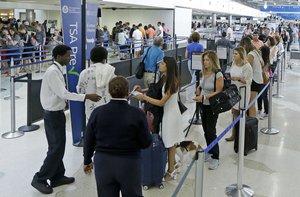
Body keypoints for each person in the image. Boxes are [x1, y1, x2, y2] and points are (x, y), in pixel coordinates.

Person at [31, 45, 101, 194]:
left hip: (57, 114)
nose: (69, 58)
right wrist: (87, 96)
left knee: (59, 147)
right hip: (53, 115)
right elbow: (64, 93)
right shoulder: (52, 72)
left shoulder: (57, 70)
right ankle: (39, 178)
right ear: (58, 57)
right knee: (55, 148)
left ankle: (57, 176)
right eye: (67, 56)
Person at [83, 76, 152, 197]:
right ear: (127, 91)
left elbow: (88, 139)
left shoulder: (97, 112)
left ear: (109, 92)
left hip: (103, 163)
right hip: (129, 164)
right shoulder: (137, 114)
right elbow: (146, 143)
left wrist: (87, 160)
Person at [134, 56, 185, 180]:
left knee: (170, 142)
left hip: (171, 115)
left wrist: (144, 98)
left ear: (168, 66)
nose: (159, 65)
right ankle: (171, 167)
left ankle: (171, 169)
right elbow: (157, 89)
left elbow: (162, 102)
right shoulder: (165, 78)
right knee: (169, 141)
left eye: (162, 63)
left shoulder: (172, 82)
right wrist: (143, 90)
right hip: (167, 113)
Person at [194, 50, 224, 170]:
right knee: (206, 130)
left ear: (213, 61)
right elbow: (202, 84)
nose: (205, 62)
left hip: (212, 106)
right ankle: (210, 150)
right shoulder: (203, 72)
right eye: (204, 60)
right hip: (203, 105)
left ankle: (216, 156)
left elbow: (218, 91)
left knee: (211, 131)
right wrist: (198, 88)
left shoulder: (218, 74)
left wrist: (204, 97)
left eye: (208, 60)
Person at [77, 46, 116, 120]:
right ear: (105, 58)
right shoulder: (110, 71)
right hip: (108, 109)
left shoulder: (84, 73)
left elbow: (80, 91)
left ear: (91, 58)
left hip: (91, 110)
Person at [226, 47, 253, 141]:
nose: (234, 55)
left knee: (240, 113)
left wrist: (238, 79)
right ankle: (234, 134)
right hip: (233, 91)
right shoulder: (234, 63)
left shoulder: (247, 66)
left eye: (236, 54)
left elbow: (248, 81)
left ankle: (241, 136)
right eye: (233, 53)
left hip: (243, 92)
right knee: (233, 112)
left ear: (241, 55)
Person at [240, 36, 264, 118]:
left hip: (254, 80)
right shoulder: (256, 52)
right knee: (252, 103)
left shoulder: (250, 54)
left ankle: (252, 123)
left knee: (251, 104)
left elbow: (246, 67)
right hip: (258, 79)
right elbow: (262, 64)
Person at [185, 32, 204, 101]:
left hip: (190, 62)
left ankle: (193, 94)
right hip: (198, 63)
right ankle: (190, 96)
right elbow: (202, 56)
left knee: (193, 78)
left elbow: (186, 56)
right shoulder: (201, 46)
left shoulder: (188, 46)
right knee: (194, 79)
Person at [257, 45, 270, 120]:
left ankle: (266, 111)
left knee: (264, 96)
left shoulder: (264, 61)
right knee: (260, 95)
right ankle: (259, 109)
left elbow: (264, 71)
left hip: (264, 80)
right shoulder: (265, 59)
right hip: (262, 79)